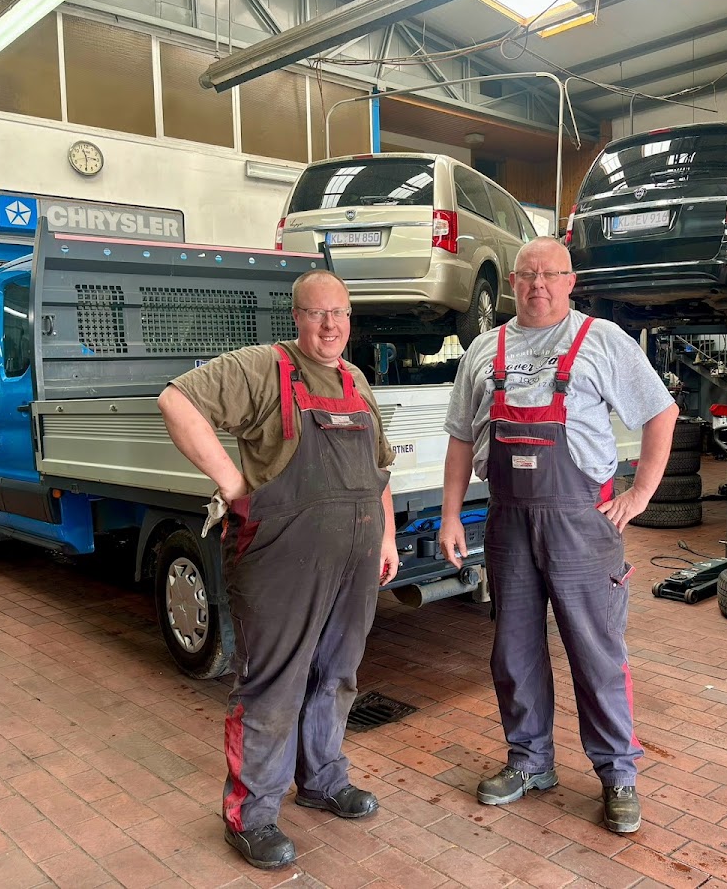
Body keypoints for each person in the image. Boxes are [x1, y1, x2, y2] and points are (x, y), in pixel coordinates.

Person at [157, 271, 398, 870]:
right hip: (281, 557)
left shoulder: (356, 380)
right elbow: (175, 401)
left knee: (337, 674)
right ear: (297, 316)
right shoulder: (264, 368)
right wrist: (234, 483)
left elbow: (379, 468)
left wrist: (388, 536)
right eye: (317, 313)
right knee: (274, 685)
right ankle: (252, 814)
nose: (330, 325)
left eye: (340, 313)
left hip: (355, 557)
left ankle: (322, 779)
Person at [439, 236, 678, 834]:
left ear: (571, 282)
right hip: (508, 519)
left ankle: (618, 774)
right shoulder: (483, 349)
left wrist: (641, 494)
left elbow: (661, 411)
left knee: (596, 650)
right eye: (527, 275)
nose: (538, 285)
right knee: (514, 648)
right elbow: (462, 438)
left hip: (581, 522)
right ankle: (529, 761)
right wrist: (449, 515)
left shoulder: (602, 340)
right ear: (512, 283)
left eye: (550, 274)